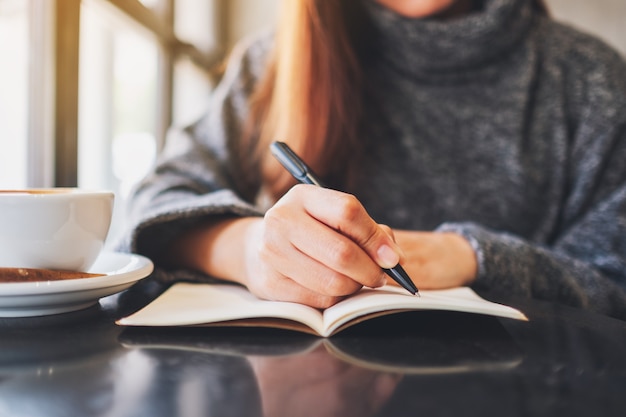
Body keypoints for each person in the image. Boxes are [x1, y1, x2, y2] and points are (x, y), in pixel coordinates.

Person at [121, 0, 626, 319]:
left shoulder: (590, 80)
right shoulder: (272, 64)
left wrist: (469, 256)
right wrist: (248, 247)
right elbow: (150, 208)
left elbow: (614, 281)